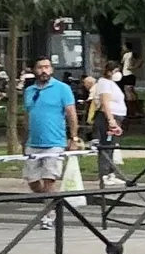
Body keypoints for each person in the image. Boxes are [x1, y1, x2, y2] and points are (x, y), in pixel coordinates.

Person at [21, 56, 80, 229]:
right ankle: (53, 201)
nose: (44, 70)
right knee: (32, 181)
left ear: (52, 69)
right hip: (33, 142)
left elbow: (71, 113)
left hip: (54, 141)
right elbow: (27, 115)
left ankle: (49, 215)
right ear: (35, 70)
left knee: (49, 179)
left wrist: (74, 137)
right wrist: (23, 140)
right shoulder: (29, 91)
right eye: (40, 67)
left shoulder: (62, 89)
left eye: (47, 67)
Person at [91, 65, 129, 184]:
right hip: (108, 118)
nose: (118, 73)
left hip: (116, 116)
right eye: (115, 71)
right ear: (109, 71)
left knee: (112, 145)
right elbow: (105, 102)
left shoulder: (112, 84)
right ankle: (104, 174)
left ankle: (111, 173)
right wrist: (111, 120)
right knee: (106, 145)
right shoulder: (104, 83)